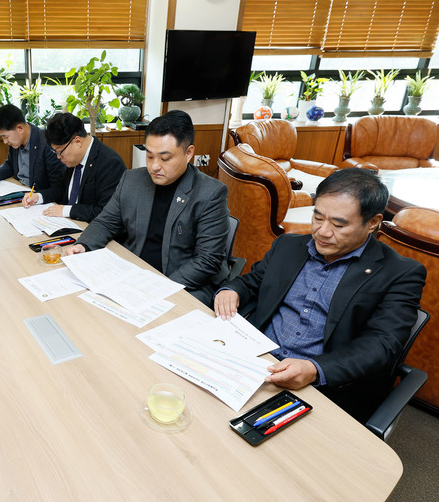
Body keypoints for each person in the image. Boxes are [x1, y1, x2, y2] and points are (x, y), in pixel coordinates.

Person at [214, 168, 426, 422]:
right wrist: (232, 289)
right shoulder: (288, 245)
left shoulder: (399, 273)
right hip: (255, 361)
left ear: (372, 222)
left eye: (338, 224)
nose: (322, 231)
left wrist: (315, 369)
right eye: (317, 217)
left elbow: (382, 343)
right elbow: (254, 281)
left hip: (322, 387)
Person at [65, 110, 229, 305]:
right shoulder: (132, 180)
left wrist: (159, 287)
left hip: (182, 285)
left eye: (164, 158)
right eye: (149, 156)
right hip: (134, 275)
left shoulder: (210, 193)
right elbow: (106, 222)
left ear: (188, 153)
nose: (154, 167)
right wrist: (83, 245)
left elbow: (206, 261)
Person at [21, 112, 126, 222]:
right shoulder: (75, 158)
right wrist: (38, 197)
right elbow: (62, 189)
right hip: (68, 222)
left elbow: (106, 212)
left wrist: (67, 211)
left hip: (91, 227)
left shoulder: (110, 163)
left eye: (60, 152)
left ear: (78, 142)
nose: (58, 157)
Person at [0, 104, 65, 189]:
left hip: (36, 195)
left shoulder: (47, 143)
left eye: (6, 136)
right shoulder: (16, 141)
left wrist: (38, 196)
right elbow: (10, 165)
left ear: (20, 128)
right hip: (18, 190)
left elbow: (58, 187)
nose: (5, 141)